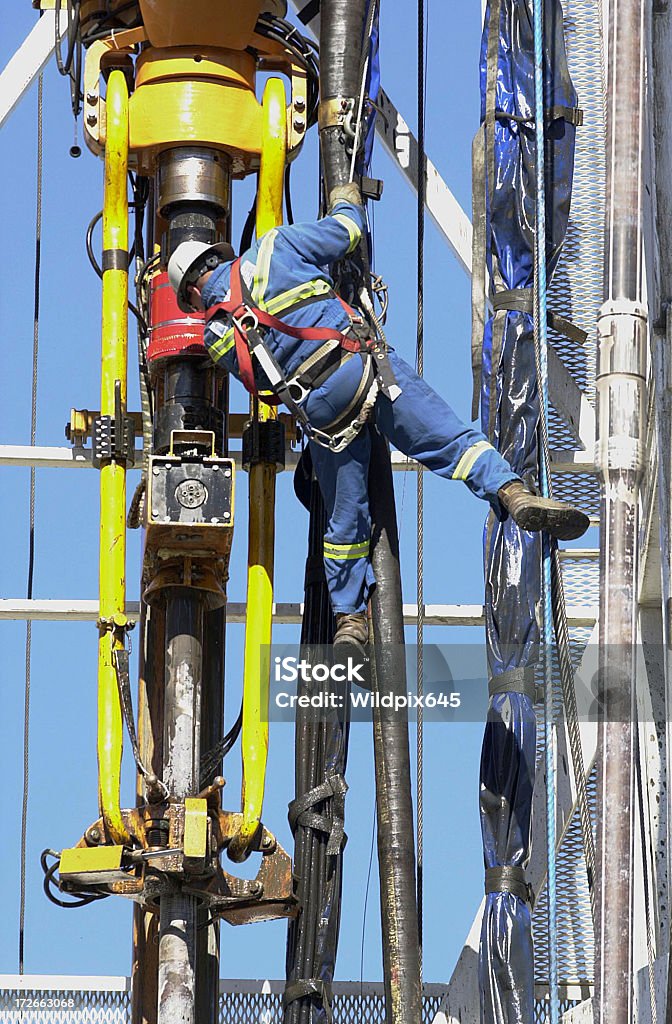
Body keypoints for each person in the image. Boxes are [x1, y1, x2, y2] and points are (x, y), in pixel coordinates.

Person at [167, 183, 589, 654]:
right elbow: (348, 233)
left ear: (191, 294)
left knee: (344, 522)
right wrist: (346, 196)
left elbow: (263, 387)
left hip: (324, 417)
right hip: (362, 369)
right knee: (451, 441)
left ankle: (349, 620)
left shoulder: (217, 337)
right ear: (215, 256)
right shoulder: (271, 250)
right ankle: (512, 494)